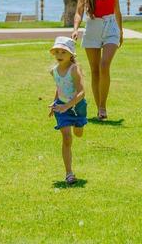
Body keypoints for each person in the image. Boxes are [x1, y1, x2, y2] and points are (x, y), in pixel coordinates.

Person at [72, 0, 123, 120]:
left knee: (104, 65)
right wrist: (75, 28)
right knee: (95, 71)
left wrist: (120, 31)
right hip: (93, 26)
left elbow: (117, 11)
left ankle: (103, 107)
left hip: (111, 27)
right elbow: (79, 11)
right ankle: (98, 107)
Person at [48, 36, 87, 185]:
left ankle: (80, 125)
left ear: (71, 55)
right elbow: (59, 87)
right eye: (56, 52)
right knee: (66, 138)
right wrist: (55, 102)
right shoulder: (54, 71)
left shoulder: (74, 70)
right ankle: (69, 173)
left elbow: (82, 92)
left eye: (63, 52)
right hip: (61, 107)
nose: (59, 55)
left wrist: (68, 105)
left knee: (78, 133)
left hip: (78, 107)